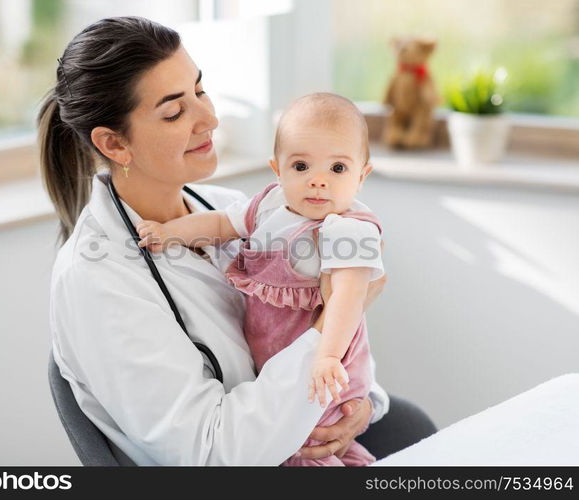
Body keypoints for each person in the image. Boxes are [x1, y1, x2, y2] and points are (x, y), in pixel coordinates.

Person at [39, 16, 436, 466]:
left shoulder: (230, 210)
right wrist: (331, 325)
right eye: (174, 112)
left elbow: (292, 328)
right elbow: (212, 452)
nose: (209, 118)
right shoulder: (96, 280)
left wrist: (359, 408)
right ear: (114, 144)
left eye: (200, 91)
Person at [136, 93, 383, 466]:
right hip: (271, 360)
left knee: (309, 445)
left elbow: (348, 297)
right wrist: (170, 233)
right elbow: (220, 224)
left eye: (337, 169)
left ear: (361, 175)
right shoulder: (267, 205)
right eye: (301, 166)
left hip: (326, 370)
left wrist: (328, 355)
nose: (317, 181)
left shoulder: (347, 229)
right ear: (277, 169)